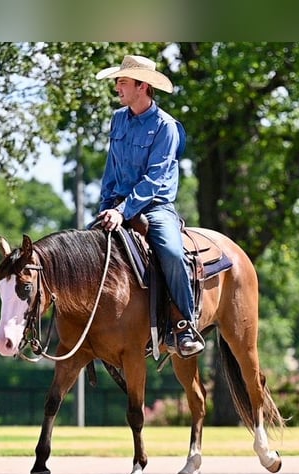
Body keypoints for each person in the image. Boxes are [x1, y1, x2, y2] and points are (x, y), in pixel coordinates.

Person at [94, 54, 204, 358]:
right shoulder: (118, 119)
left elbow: (155, 180)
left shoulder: (166, 127)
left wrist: (123, 210)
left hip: (154, 207)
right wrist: (106, 207)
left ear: (143, 86)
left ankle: (184, 324)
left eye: (123, 81)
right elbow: (111, 168)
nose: (117, 87)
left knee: (170, 252)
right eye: (118, 81)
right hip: (117, 207)